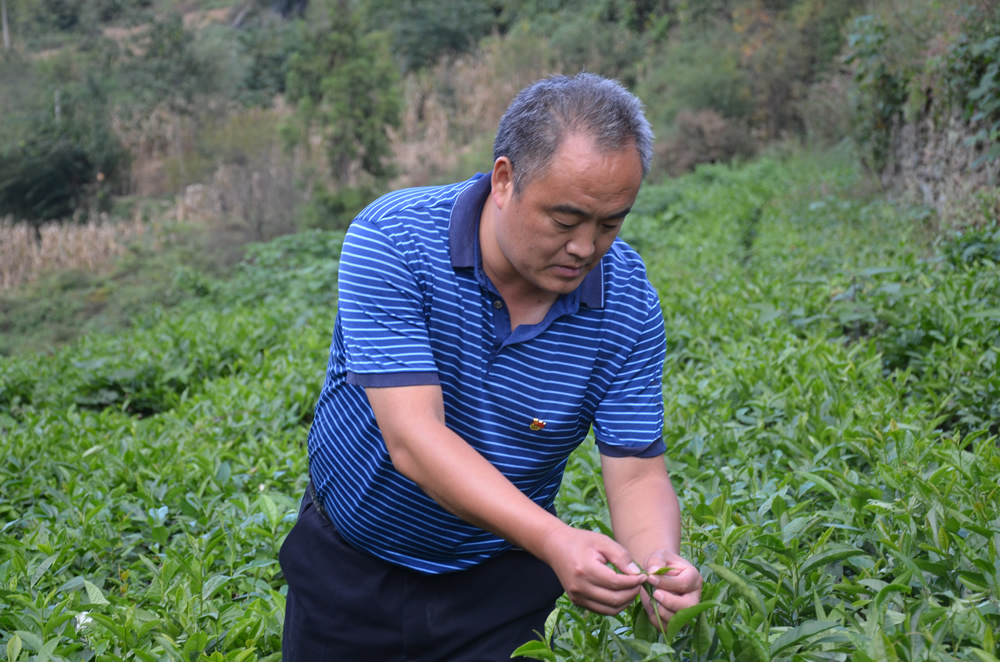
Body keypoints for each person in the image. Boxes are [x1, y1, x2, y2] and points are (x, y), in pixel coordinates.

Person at [279, 72, 703, 661]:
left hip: (500, 574)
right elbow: (415, 440)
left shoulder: (627, 301)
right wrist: (555, 539)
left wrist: (659, 559)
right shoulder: (395, 239)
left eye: (610, 223)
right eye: (565, 219)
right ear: (505, 180)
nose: (586, 247)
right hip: (352, 561)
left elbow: (636, 473)